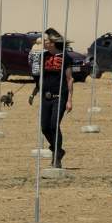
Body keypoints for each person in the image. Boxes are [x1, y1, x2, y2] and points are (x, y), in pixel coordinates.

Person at [28, 27, 72, 169]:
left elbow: (69, 79)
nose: (44, 43)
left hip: (60, 96)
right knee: (45, 127)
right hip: (45, 96)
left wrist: (70, 100)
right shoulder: (43, 56)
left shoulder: (66, 57)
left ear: (52, 42)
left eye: (46, 40)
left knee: (54, 125)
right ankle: (57, 149)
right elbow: (40, 77)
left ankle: (56, 157)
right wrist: (34, 92)